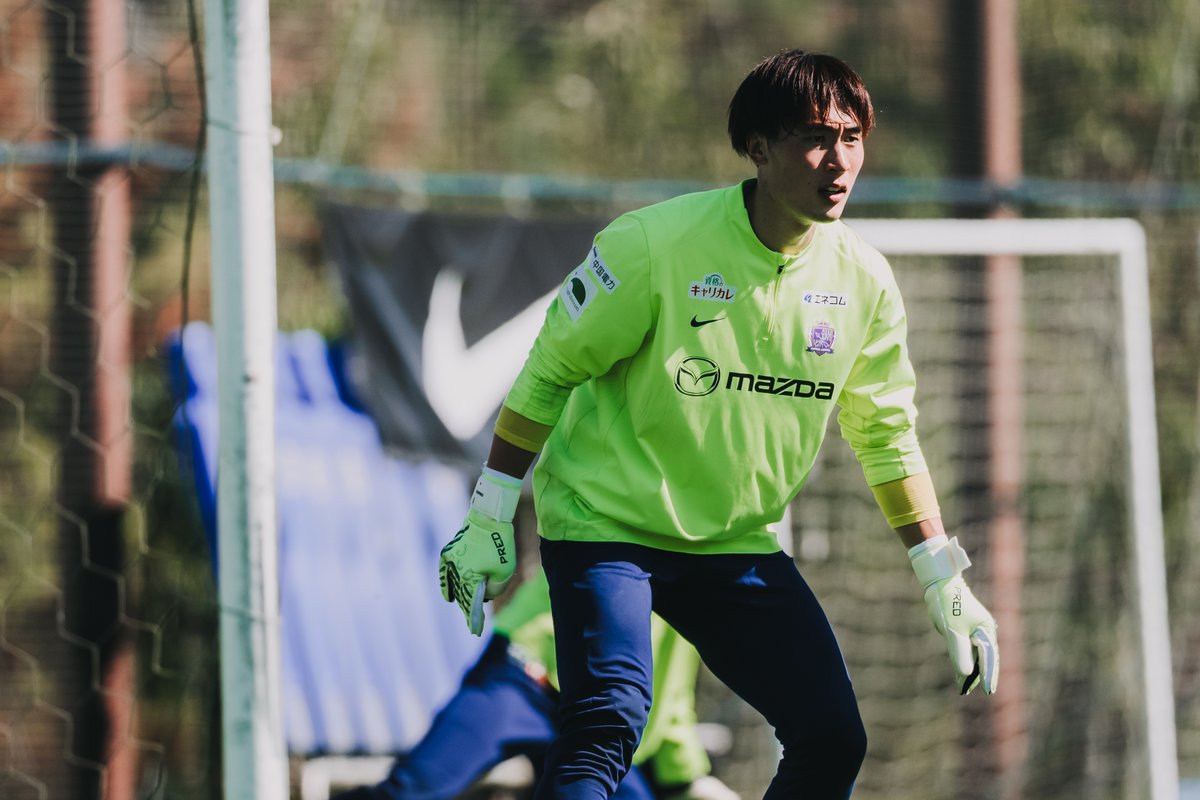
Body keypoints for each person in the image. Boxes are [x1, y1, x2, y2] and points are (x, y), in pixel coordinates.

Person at [438, 49, 999, 800]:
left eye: (853, 137)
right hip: (608, 525)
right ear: (758, 149)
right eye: (815, 136)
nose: (839, 161)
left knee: (832, 736)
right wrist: (490, 512)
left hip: (734, 542)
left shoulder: (863, 281)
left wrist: (941, 577)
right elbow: (547, 373)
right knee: (608, 722)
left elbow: (886, 435)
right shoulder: (652, 246)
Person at [332, 570, 739, 800]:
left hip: (594, 721)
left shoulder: (698, 594)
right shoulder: (632, 505)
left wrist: (685, 779)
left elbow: (671, 697)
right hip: (523, 678)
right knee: (414, 790)